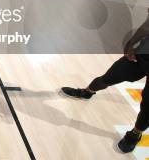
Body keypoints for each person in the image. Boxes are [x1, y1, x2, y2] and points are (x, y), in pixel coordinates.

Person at [62, 9, 149, 154]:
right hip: (143, 55)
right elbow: (147, 25)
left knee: (148, 105)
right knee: (109, 77)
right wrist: (132, 43)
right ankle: (87, 92)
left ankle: (135, 134)